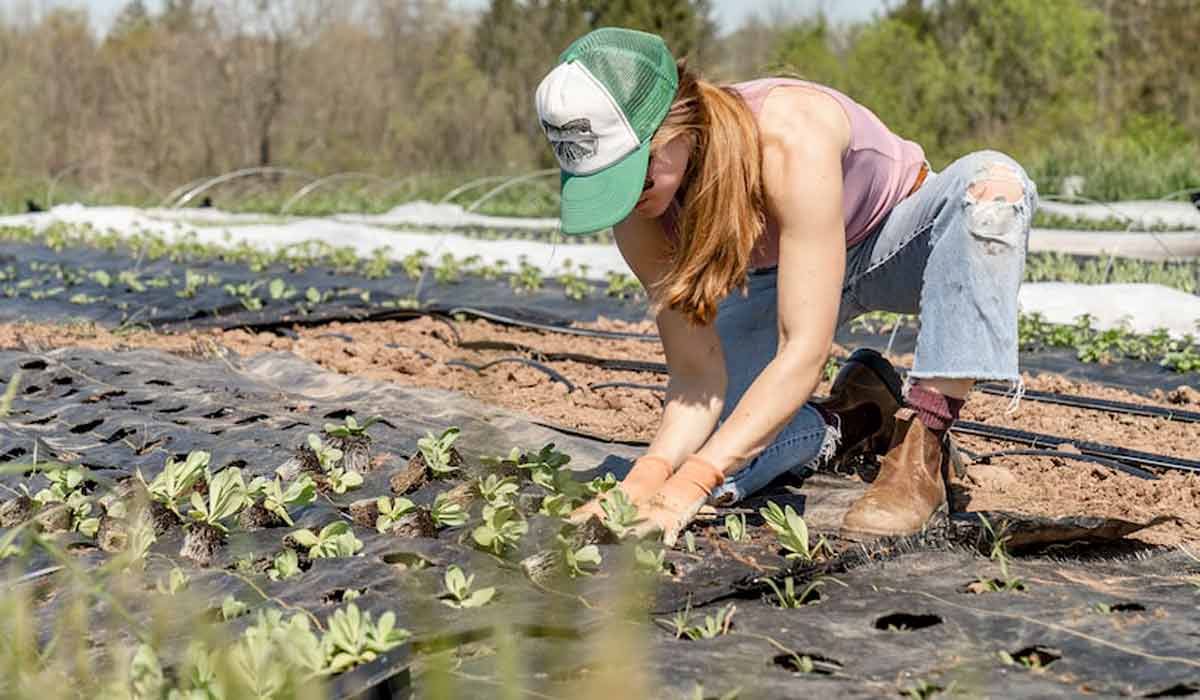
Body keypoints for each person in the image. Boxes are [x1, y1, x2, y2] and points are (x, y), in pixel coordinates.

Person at [534, 27, 1037, 544]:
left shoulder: (786, 135)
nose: (629, 199)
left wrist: (692, 482)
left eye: (634, 175)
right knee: (721, 445)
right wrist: (648, 477)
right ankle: (853, 417)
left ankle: (922, 446)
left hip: (893, 241)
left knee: (994, 188)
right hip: (781, 276)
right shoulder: (639, 214)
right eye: (605, 185)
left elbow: (803, 351)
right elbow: (696, 377)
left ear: (677, 124)